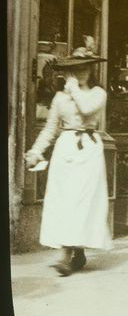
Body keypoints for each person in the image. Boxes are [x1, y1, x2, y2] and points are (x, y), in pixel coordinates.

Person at [25, 41, 112, 276]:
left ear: (91, 69)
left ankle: (70, 252)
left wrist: (73, 88)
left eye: (85, 67)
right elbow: (50, 128)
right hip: (66, 150)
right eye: (76, 67)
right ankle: (70, 251)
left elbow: (85, 109)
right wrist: (36, 151)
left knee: (82, 201)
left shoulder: (98, 93)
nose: (81, 72)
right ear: (69, 70)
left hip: (89, 151)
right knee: (64, 201)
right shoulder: (60, 98)